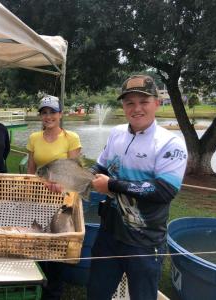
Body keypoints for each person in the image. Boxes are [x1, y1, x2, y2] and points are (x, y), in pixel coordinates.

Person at [86, 75, 188, 300]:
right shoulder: (116, 133)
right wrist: (74, 179)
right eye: (129, 102)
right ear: (123, 106)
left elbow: (164, 191)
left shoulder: (170, 144)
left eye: (144, 101)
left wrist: (111, 184)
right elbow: (100, 165)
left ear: (156, 103)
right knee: (96, 292)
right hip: (109, 234)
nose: (136, 108)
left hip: (144, 241)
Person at [26, 95, 82, 300]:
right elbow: (31, 170)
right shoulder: (34, 138)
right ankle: (38, 285)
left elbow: (74, 171)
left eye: (52, 112)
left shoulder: (71, 138)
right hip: (38, 198)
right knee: (38, 241)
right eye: (44, 112)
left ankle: (54, 292)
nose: (48, 116)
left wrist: (62, 184)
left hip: (62, 200)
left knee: (58, 245)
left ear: (60, 114)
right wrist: (37, 186)